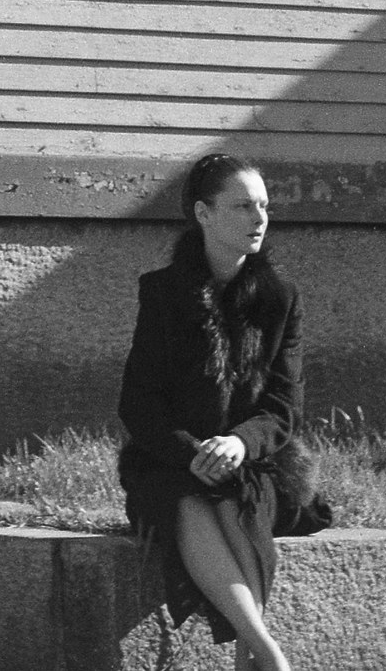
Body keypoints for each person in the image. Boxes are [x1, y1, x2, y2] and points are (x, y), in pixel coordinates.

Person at [115, 150, 318, 671]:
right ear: (204, 214)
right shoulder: (161, 293)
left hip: (258, 464)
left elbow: (282, 406)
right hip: (171, 462)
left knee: (235, 503)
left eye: (264, 206)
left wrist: (239, 443)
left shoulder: (281, 298)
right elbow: (139, 402)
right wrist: (192, 454)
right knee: (188, 501)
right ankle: (267, 655)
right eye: (243, 206)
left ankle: (256, 662)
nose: (259, 219)